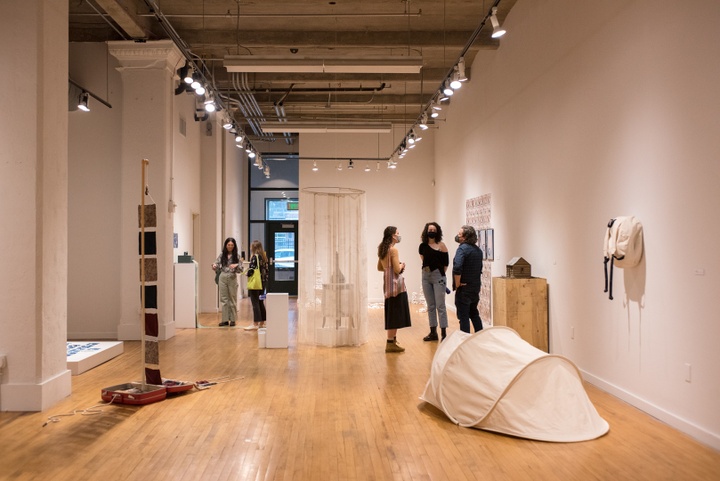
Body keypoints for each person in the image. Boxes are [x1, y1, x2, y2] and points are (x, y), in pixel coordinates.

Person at [377, 226, 412, 353]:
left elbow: (380, 268)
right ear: (392, 235)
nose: (399, 235)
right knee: (396, 314)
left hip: (387, 286)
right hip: (396, 287)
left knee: (391, 312)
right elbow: (397, 270)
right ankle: (390, 342)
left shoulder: (382, 249)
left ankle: (392, 340)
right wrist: (402, 265)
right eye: (397, 233)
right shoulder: (393, 250)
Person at [418, 222, 450, 341]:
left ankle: (444, 333)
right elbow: (424, 260)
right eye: (430, 229)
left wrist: (440, 274)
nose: (431, 231)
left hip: (439, 277)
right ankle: (433, 332)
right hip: (426, 276)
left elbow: (446, 264)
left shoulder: (442, 246)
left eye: (434, 229)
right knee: (430, 305)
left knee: (440, 305)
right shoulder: (422, 246)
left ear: (437, 232)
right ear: (426, 231)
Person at [452, 225, 484, 333]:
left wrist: (457, 284)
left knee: (463, 316)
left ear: (464, 237)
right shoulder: (478, 251)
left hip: (464, 288)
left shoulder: (462, 249)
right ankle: (481, 336)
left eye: (459, 234)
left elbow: (457, 268)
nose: (457, 236)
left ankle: (465, 339)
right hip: (475, 287)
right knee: (474, 313)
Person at [212, 237, 243, 327]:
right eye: (228, 245)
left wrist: (236, 265)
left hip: (232, 277)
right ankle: (225, 320)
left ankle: (233, 320)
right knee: (224, 299)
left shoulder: (237, 256)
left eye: (232, 245)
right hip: (223, 277)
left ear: (234, 246)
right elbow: (216, 264)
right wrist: (214, 265)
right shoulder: (222, 255)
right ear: (226, 245)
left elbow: (241, 269)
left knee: (232, 299)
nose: (230, 246)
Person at [244, 240, 269, 331]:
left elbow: (251, 270)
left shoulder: (255, 257)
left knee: (255, 303)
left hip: (255, 283)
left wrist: (247, 274)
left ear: (253, 247)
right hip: (263, 282)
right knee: (260, 302)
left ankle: (255, 323)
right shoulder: (264, 257)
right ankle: (262, 322)